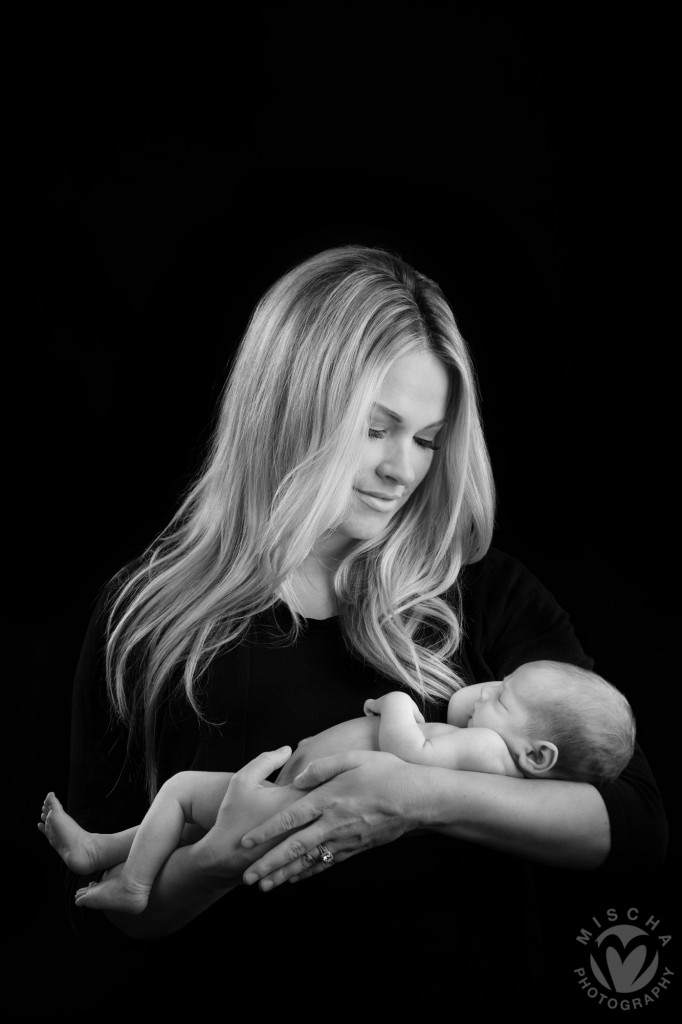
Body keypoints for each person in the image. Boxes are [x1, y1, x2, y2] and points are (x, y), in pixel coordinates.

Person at [62, 246, 667, 1011]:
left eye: (426, 440)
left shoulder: (485, 595)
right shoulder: (150, 619)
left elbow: (636, 823)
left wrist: (413, 798)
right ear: (290, 412)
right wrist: (215, 860)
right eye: (376, 429)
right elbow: (102, 918)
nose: (403, 471)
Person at [42, 660, 635, 915]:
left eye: (501, 697)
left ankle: (134, 883)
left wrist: (399, 703)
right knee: (190, 819)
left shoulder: (486, 751)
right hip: (294, 797)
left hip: (295, 802)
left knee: (180, 791)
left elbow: (410, 754)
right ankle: (100, 852)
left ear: (538, 755)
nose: (484, 690)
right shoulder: (499, 757)